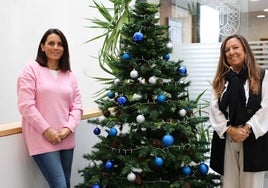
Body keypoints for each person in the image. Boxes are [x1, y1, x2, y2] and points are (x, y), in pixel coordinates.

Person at [17, 28, 83, 188]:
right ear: (42, 46)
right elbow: (26, 105)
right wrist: (47, 130)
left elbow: (78, 106)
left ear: (64, 49)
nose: (55, 47)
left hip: (65, 136)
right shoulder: (31, 69)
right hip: (42, 137)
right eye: (51, 43)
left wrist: (68, 128)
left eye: (60, 44)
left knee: (66, 183)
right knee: (59, 185)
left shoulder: (70, 75)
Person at [209, 34, 268, 188]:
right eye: (227, 50)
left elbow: (266, 107)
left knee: (252, 185)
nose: (231, 52)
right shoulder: (220, 79)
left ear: (245, 50)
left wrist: (247, 128)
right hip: (227, 138)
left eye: (235, 47)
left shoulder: (262, 75)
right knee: (229, 185)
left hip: (253, 137)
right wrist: (229, 130)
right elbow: (214, 108)